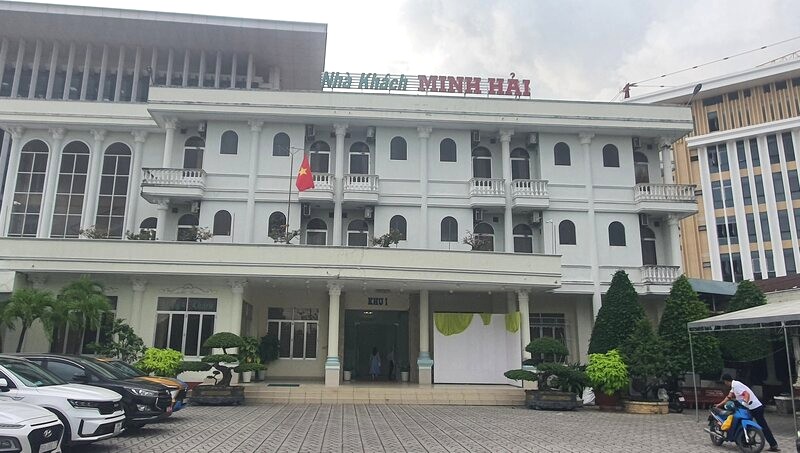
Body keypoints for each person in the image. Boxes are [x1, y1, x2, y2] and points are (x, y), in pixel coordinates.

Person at [716, 373, 780, 452]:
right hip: (750, 408)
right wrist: (719, 404)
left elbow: (746, 394)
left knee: (762, 426)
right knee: (743, 423)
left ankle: (773, 445)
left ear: (725, 381)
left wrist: (744, 403)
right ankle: (743, 441)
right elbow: (728, 397)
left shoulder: (736, 385)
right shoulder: (734, 386)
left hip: (755, 408)